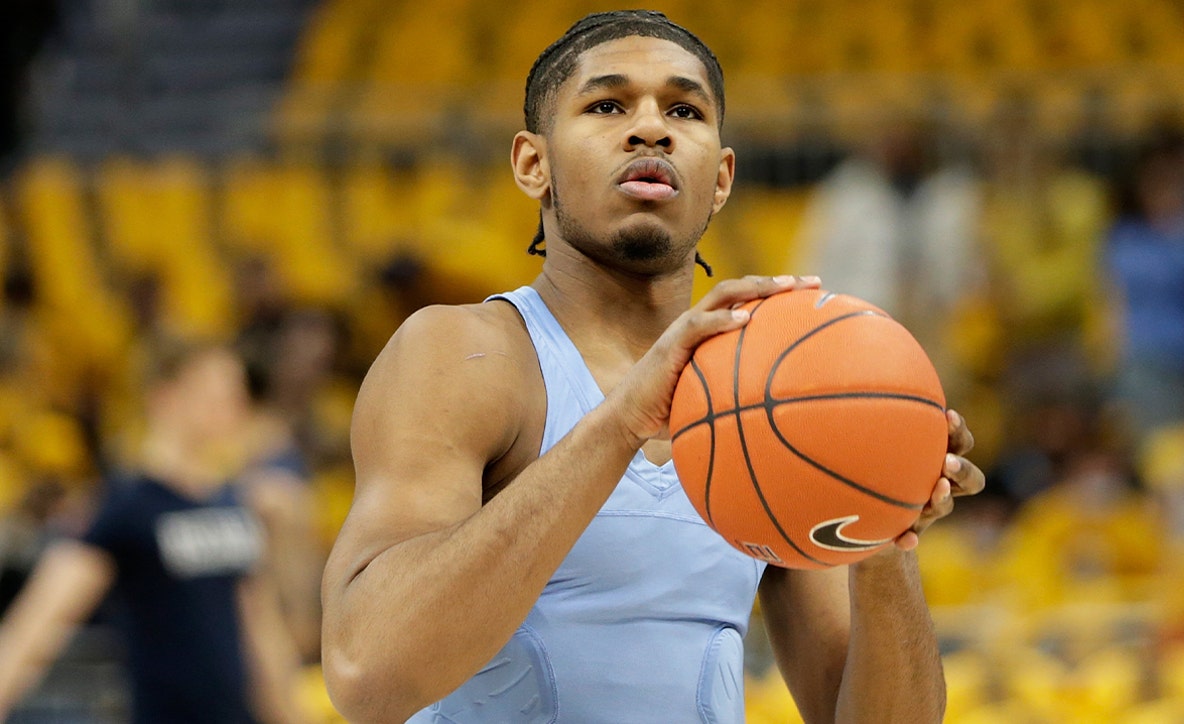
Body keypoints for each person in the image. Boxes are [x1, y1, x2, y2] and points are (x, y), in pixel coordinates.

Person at [320, 11, 985, 723]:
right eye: (607, 104)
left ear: (722, 177)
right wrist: (621, 422)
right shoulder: (464, 353)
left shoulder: (768, 391)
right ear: (531, 164)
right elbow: (368, 672)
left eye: (684, 109)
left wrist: (885, 535)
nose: (651, 129)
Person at [0, 341, 311, 723]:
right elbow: (40, 619)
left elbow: (262, 632)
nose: (232, 404)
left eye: (235, 392)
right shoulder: (128, 505)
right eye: (214, 391)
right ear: (166, 397)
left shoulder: (232, 503)